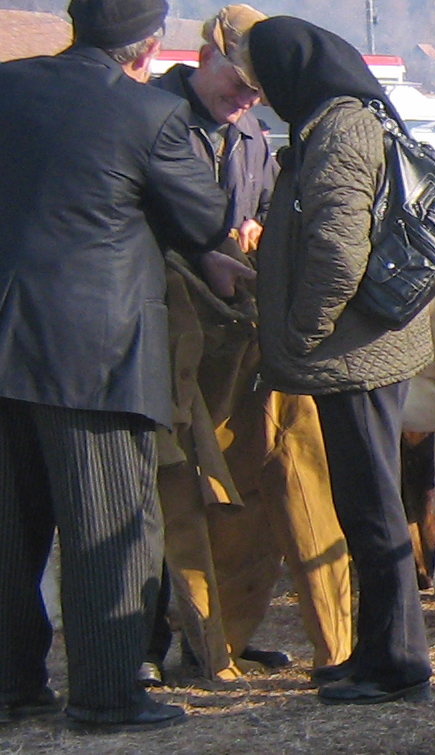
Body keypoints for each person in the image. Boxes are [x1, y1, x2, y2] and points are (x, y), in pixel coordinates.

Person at [0, 0, 253, 732]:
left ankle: (14, 687)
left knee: (12, 533)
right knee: (107, 525)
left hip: (6, 337)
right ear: (146, 47)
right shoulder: (148, 116)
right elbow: (203, 216)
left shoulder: (9, 85)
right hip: (94, 350)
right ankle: (105, 694)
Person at [146, 3, 352, 685]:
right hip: (156, 335)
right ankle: (153, 641)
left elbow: (257, 214)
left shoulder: (255, 139)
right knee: (166, 490)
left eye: (256, 91)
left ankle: (224, 635)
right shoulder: (147, 119)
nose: (244, 99)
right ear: (203, 56)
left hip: (230, 342)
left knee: (240, 493)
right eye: (237, 83)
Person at [245, 16, 433, 705]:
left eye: (265, 79)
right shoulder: (335, 123)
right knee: (362, 506)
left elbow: (336, 250)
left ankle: (399, 665)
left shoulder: (341, 132)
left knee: (375, 509)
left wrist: (301, 332)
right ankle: (373, 651)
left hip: (355, 352)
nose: (261, 92)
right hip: (355, 349)